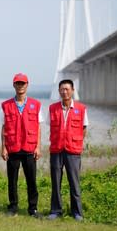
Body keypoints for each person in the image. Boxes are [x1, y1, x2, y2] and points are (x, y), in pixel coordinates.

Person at [0, 73, 43, 218]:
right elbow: (3, 128)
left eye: (23, 83)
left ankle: (33, 209)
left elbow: (38, 127)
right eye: (18, 83)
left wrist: (38, 146)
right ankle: (13, 207)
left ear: (27, 85)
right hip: (12, 148)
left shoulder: (36, 105)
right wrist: (4, 147)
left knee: (31, 180)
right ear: (14, 85)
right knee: (12, 180)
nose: (20, 86)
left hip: (29, 148)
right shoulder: (6, 105)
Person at [47, 79, 88, 221]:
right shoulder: (52, 108)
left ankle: (77, 212)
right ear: (59, 91)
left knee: (74, 182)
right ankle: (55, 211)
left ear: (72, 90)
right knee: (56, 182)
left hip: (73, 151)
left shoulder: (81, 109)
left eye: (67, 89)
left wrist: (75, 141)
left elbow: (84, 128)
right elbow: (49, 126)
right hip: (56, 150)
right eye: (62, 89)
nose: (64, 92)